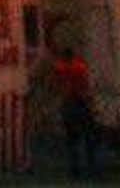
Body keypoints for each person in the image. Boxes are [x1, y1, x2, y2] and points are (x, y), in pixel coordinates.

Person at [43, 16, 101, 177]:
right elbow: (85, 87)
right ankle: (92, 167)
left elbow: (54, 85)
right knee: (89, 137)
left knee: (72, 139)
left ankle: (74, 168)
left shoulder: (59, 68)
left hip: (68, 104)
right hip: (81, 102)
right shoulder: (80, 67)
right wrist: (92, 104)